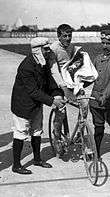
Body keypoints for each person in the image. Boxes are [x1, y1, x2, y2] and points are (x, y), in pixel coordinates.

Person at [11, 37, 65, 174]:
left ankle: (37, 159)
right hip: (22, 105)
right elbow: (33, 91)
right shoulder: (26, 67)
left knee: (37, 131)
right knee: (20, 133)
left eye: (48, 49)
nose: (48, 52)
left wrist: (57, 94)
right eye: (45, 49)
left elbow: (49, 82)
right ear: (37, 50)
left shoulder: (42, 62)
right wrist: (52, 101)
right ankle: (16, 165)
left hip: (36, 104)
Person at [50, 24, 98, 156]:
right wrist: (64, 88)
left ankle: (80, 134)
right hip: (57, 83)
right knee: (61, 108)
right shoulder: (53, 48)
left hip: (70, 81)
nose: (67, 38)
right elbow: (54, 70)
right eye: (64, 36)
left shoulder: (71, 47)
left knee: (84, 104)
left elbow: (73, 64)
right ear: (58, 36)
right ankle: (57, 137)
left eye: (69, 36)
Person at [89, 30, 110, 166]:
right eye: (103, 43)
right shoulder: (97, 58)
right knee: (98, 127)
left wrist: (105, 96)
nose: (105, 46)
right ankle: (97, 152)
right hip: (96, 100)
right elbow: (92, 76)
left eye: (108, 43)